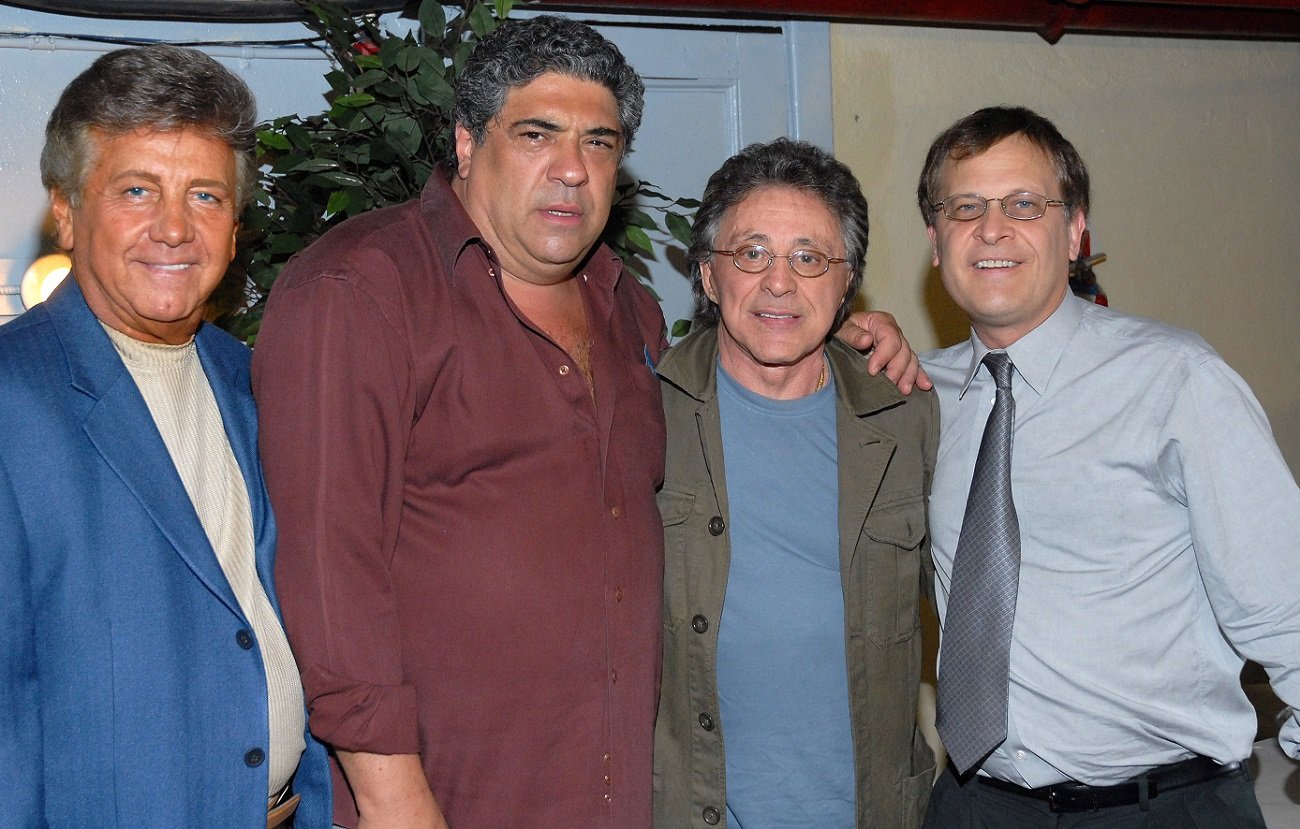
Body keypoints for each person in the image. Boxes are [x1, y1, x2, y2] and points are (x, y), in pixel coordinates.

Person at [253, 15, 918, 829]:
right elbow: (329, 573)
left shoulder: (629, 313)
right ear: (466, 142)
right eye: (537, 133)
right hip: (447, 798)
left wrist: (852, 333)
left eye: (599, 144)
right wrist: (395, 799)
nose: (571, 169)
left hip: (616, 798)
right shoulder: (362, 290)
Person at [917, 105, 1300, 828]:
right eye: (965, 207)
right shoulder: (913, 398)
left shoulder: (1178, 379)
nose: (992, 228)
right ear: (935, 241)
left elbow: (1286, 599)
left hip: (1163, 807)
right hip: (975, 807)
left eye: (1026, 204)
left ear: (1076, 230)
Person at [0, 44, 331, 828]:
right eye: (138, 189)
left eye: (206, 195)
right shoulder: (12, 399)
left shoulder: (254, 379)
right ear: (67, 208)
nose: (175, 228)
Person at [653, 138, 939, 829]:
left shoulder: (908, 413)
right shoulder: (643, 413)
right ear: (709, 276)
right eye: (751, 253)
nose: (780, 282)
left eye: (810, 258)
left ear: (848, 283)